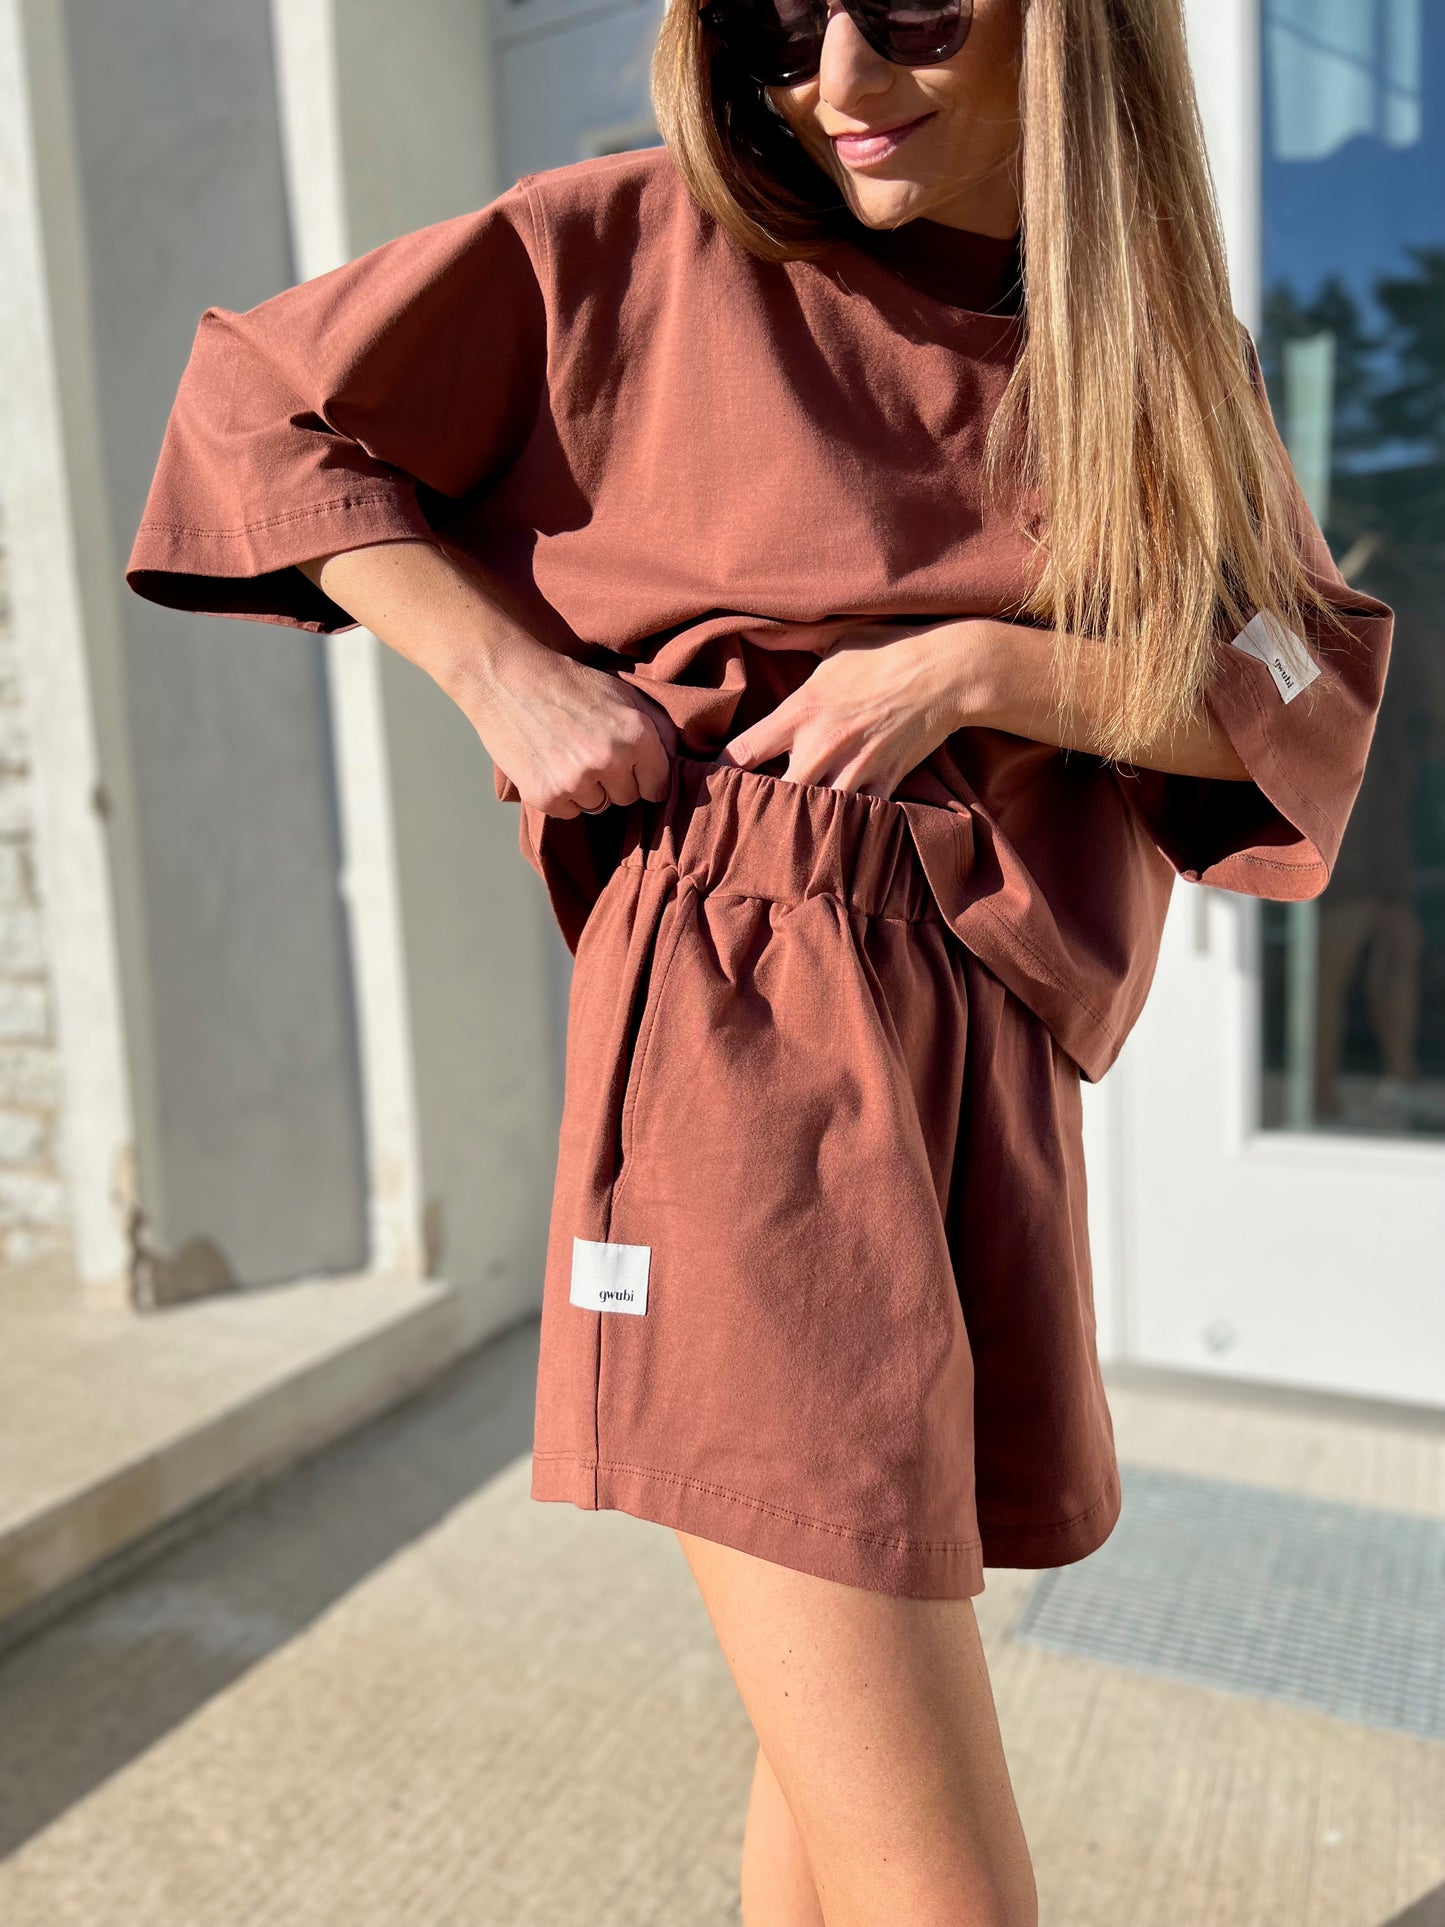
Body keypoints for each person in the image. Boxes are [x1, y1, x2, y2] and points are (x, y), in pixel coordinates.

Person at [125, 0, 1393, 1918]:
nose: (841, 88)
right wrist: (507, 677)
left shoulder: (1144, 338)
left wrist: (982, 668)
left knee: (835, 1777)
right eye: (782, 32)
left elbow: (1291, 694)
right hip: (749, 1012)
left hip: (985, 1031)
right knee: (934, 1871)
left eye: (914, 15)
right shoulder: (642, 239)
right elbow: (254, 401)